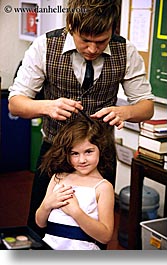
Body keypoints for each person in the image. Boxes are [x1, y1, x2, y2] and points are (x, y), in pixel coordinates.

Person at [8, 0, 154, 237]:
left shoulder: (125, 51)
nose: (93, 49)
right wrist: (46, 106)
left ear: (113, 29)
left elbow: (146, 107)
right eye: (85, 40)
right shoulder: (45, 45)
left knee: (97, 233)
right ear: (70, 26)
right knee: (39, 229)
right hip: (55, 151)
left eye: (101, 41)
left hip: (100, 156)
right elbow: (16, 104)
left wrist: (125, 112)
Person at [35, 118, 114, 250]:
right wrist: (47, 205)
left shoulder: (103, 187)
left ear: (101, 149)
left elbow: (105, 236)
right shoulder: (58, 178)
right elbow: (40, 222)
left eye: (88, 152)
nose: (82, 160)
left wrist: (76, 212)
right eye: (75, 153)